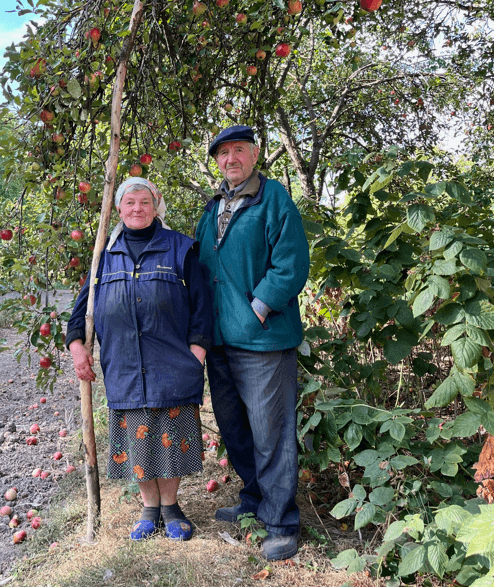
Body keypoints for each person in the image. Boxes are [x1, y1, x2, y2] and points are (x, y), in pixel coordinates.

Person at [65, 177, 212, 541]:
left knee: (171, 435)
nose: (137, 209)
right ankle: (149, 508)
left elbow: (204, 307)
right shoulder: (104, 255)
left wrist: (196, 353)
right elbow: (80, 310)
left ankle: (171, 506)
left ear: (155, 205)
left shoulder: (180, 248)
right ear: (119, 209)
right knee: (139, 439)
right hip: (125, 364)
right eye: (129, 202)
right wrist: (76, 346)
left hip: (172, 363)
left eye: (144, 202)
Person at [195, 125, 310, 561]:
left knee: (271, 434)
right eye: (224, 154)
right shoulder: (214, 208)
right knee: (235, 429)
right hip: (222, 342)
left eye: (239, 150)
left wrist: (260, 306)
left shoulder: (273, 199)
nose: (231, 159)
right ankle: (256, 499)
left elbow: (291, 262)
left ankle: (281, 522)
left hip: (263, 341)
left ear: (255, 154)